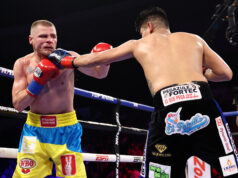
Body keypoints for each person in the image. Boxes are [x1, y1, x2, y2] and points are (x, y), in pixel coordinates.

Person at [47, 6, 238, 178]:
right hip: (204, 104)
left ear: (149, 26)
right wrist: (204, 73)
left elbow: (96, 59)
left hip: (168, 111)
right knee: (231, 169)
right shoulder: (195, 39)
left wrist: (66, 60)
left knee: (159, 174)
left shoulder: (138, 44)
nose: (142, 36)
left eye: (142, 32)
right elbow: (226, 73)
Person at [11, 20, 110, 177]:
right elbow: (18, 105)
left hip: (66, 129)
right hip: (34, 130)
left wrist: (105, 59)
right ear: (31, 39)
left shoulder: (69, 58)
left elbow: (99, 73)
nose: (49, 40)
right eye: (43, 36)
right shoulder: (23, 64)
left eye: (53, 36)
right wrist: (37, 81)